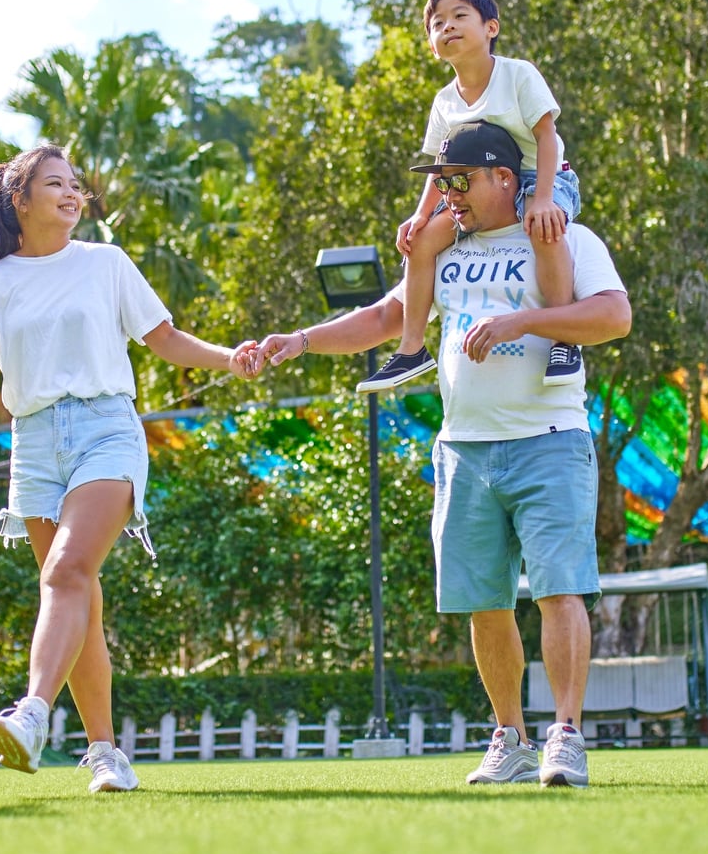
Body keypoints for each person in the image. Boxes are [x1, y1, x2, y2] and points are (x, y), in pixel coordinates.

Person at [254, 122, 630, 786]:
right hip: (463, 452)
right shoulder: (442, 251)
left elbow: (610, 317)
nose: (445, 193)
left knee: (558, 591)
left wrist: (520, 321)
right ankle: (509, 737)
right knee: (485, 604)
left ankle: (564, 736)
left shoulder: (563, 236)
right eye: (439, 181)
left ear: (504, 179)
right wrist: (302, 339)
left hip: (549, 440)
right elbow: (381, 319)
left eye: (458, 179)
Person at [0, 144, 261, 793]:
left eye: (74, 184)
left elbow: (163, 339)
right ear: (18, 201)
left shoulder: (104, 263)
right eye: (52, 183)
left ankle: (32, 713)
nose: (70, 193)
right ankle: (105, 752)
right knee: (75, 594)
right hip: (32, 445)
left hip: (105, 430)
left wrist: (231, 359)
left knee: (65, 572)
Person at [358, 0, 584, 394]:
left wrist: (546, 198)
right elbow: (440, 170)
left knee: (544, 228)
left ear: (491, 27)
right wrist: (421, 215)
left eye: (460, 16)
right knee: (422, 241)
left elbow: (547, 137)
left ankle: (564, 339)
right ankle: (411, 349)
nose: (448, 27)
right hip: (476, 186)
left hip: (541, 175)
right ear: (431, 45)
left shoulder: (517, 74)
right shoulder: (444, 101)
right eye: (437, 23)